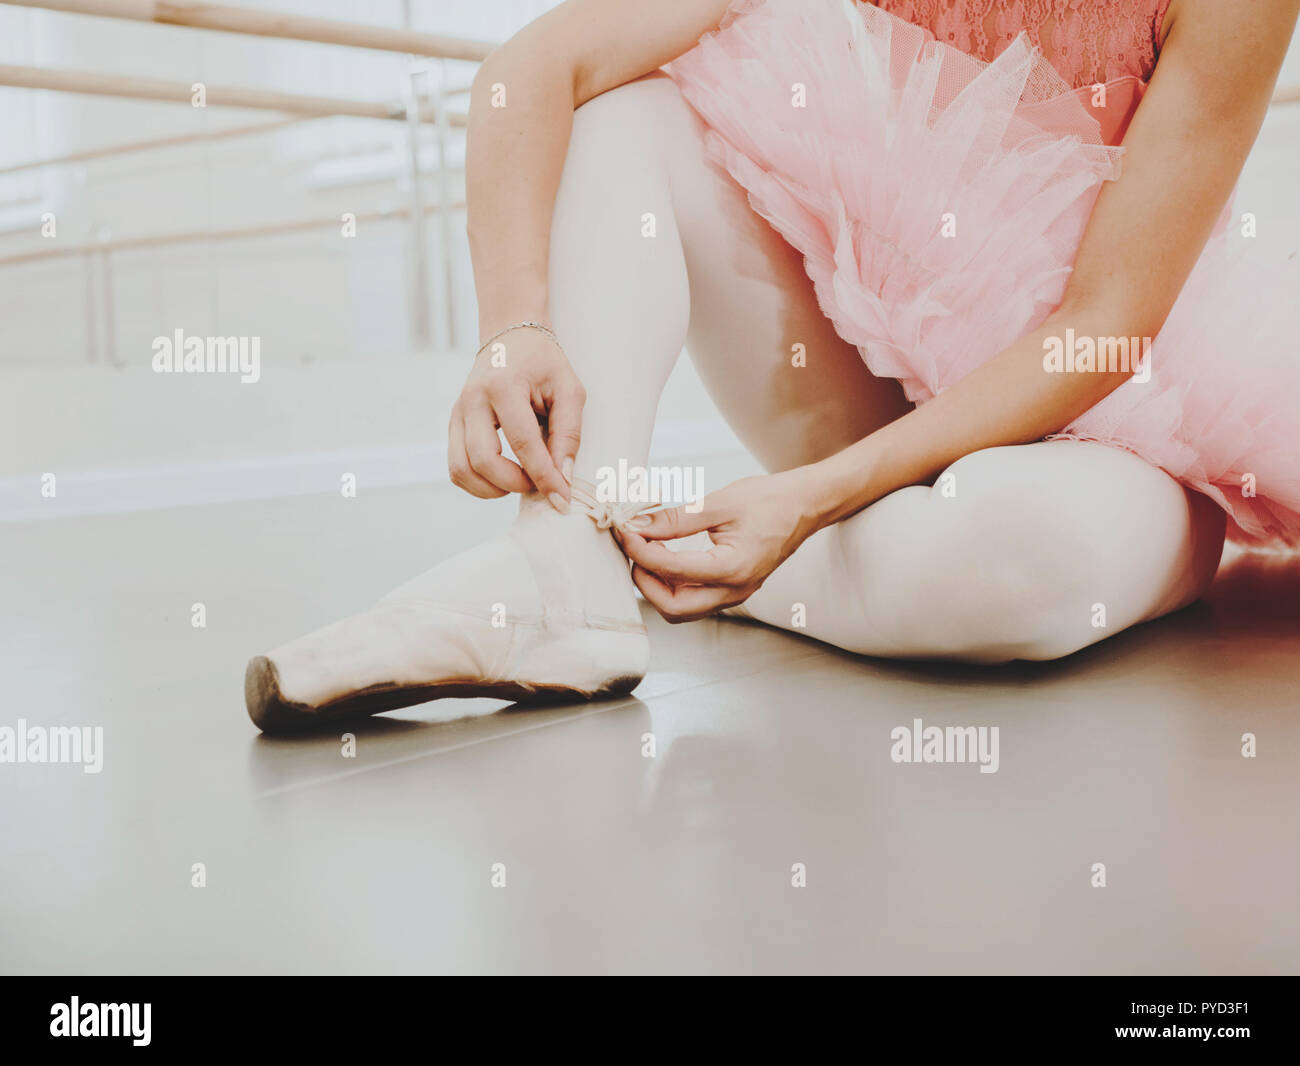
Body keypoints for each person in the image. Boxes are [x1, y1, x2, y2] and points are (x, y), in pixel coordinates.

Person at [245, 0, 1300, 732]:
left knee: (1017, 560)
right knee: (628, 111)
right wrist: (512, 326)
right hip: (854, 372)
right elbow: (536, 70)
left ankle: (676, 562)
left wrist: (807, 499)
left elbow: (1106, 324)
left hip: (1107, 427)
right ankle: (566, 558)